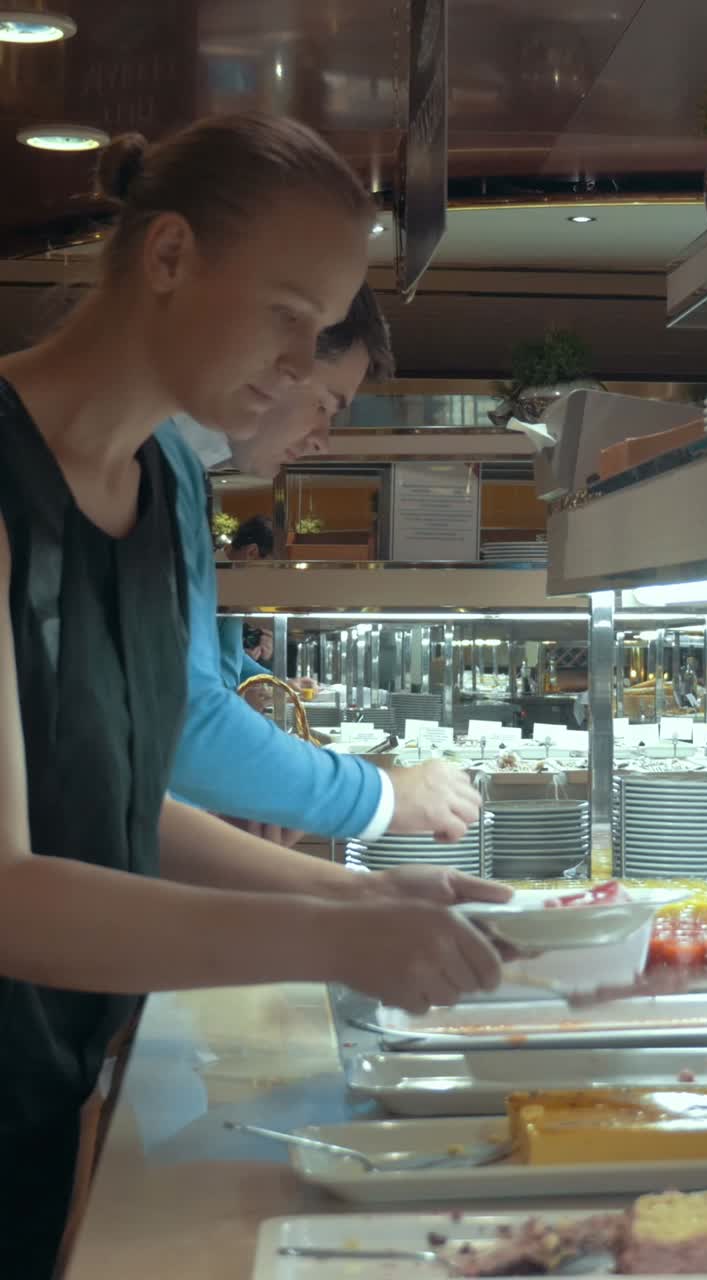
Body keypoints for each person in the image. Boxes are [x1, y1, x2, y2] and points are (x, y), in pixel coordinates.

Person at [0, 111, 508, 1278]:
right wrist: (332, 928)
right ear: (168, 256)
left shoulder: (153, 490)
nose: (299, 366)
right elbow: (10, 890)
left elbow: (119, 802)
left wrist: (382, 898)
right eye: (289, 318)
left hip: (49, 1077)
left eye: (320, 330)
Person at [160, 289, 481, 845]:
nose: (322, 440)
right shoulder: (143, 463)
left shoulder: (175, 472)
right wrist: (380, 795)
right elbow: (183, 721)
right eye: (325, 403)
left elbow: (118, 768)